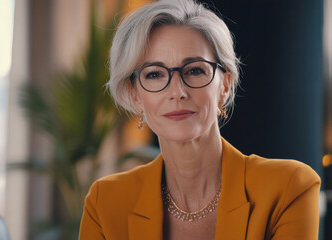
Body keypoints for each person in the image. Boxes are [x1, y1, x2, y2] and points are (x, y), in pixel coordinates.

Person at [79, 0, 321, 239]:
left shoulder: (289, 187)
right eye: (154, 74)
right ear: (135, 95)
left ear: (224, 85)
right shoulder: (105, 201)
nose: (177, 92)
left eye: (194, 70)